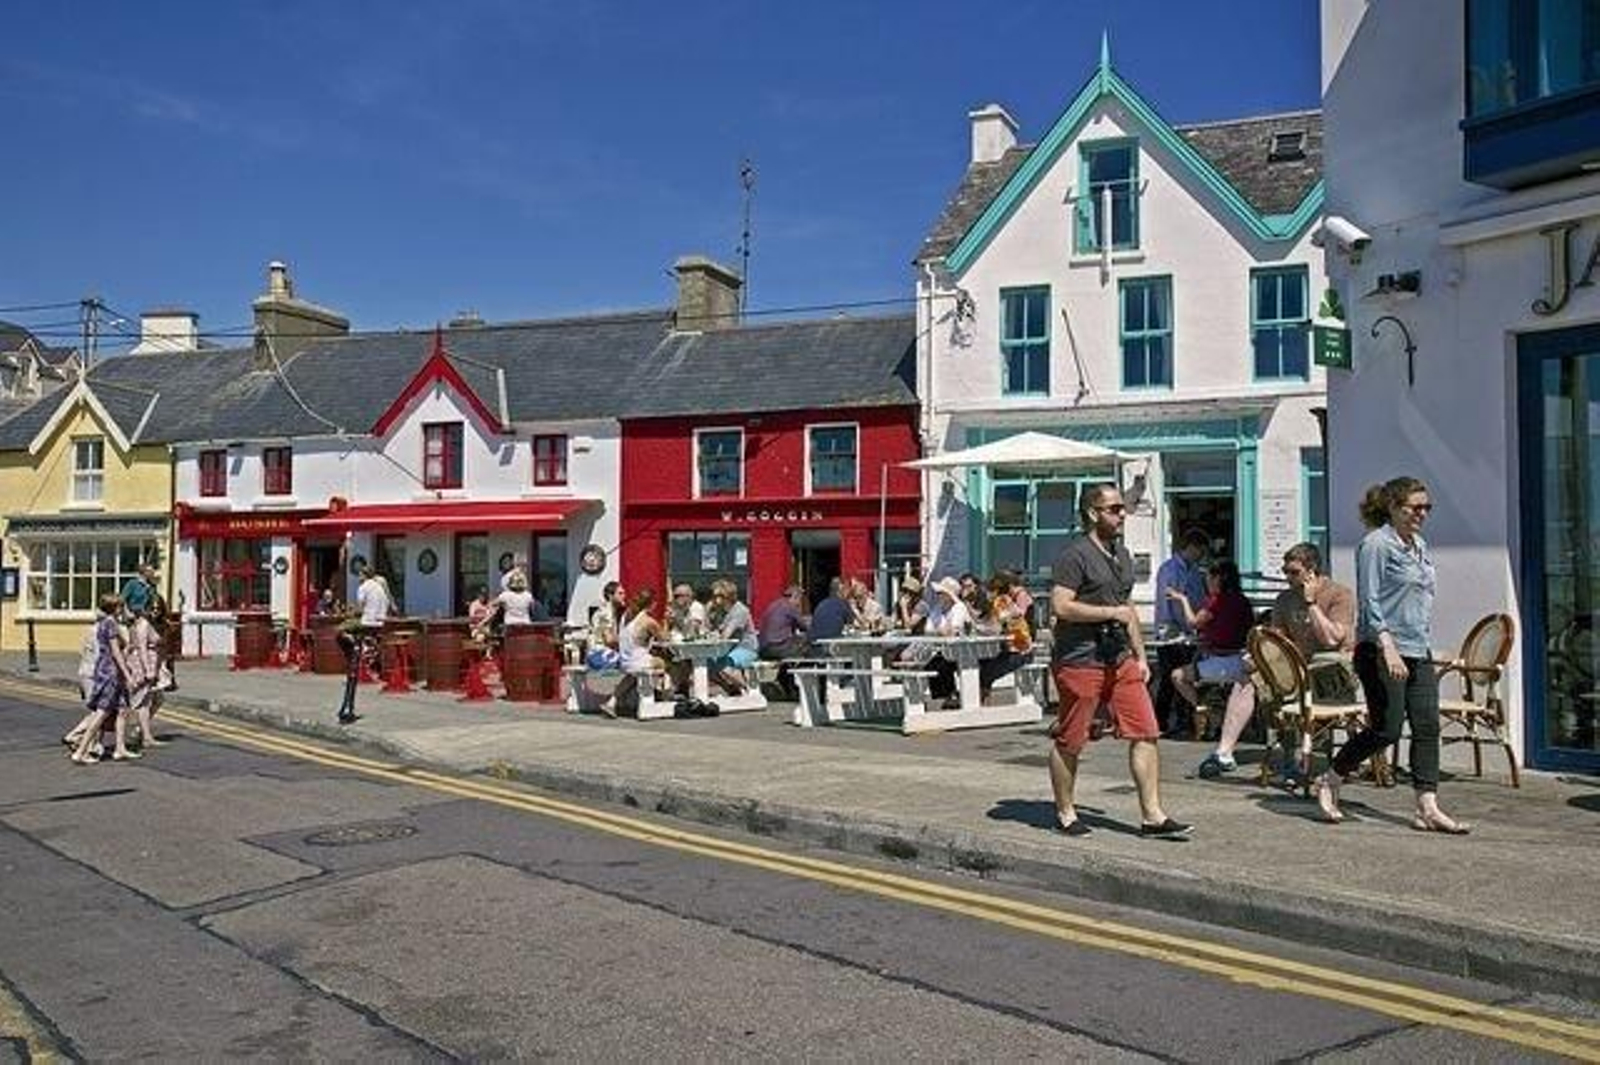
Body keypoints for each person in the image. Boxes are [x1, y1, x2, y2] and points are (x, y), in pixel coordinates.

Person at [1317, 477, 1465, 832]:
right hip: (1380, 650)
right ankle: (1331, 777)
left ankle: (1426, 806)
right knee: (1387, 729)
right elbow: (1369, 603)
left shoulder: (1419, 545)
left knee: (1428, 725)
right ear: (1394, 508)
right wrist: (1389, 648)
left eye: (1427, 507)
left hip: (1417, 649)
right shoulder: (1376, 545)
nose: (1422, 514)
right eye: (1416, 507)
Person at [1047, 483, 1189, 839]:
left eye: (1122, 507)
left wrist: (1141, 657)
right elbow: (1061, 606)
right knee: (1072, 740)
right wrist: (1107, 612)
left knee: (1146, 732)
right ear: (1093, 513)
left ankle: (1153, 816)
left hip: (1120, 659)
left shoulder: (1121, 555)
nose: (1122, 513)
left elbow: (1127, 613)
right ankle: (1066, 811)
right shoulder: (1074, 556)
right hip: (1080, 660)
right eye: (1114, 509)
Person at [1197, 543, 1355, 779]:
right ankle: (1224, 753)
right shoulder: (1285, 599)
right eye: (1285, 572)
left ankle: (1335, 758)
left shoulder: (1339, 594)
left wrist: (1311, 603)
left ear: (1312, 571)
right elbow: (1278, 638)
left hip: (1331, 668)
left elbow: (1332, 639)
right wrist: (1258, 657)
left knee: (1295, 682)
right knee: (1248, 678)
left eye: (1294, 572)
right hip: (1296, 666)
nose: (1288, 577)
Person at [1166, 558, 1253, 725]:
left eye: (1208, 578)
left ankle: (1204, 709)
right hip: (1242, 659)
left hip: (1223, 661)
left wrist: (1182, 599)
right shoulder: (1243, 600)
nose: (1206, 582)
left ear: (1218, 578)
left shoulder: (1216, 601)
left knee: (1177, 676)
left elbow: (1193, 622)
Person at [69, 595, 136, 765]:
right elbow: (115, 652)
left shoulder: (107, 623)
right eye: (121, 606)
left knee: (122, 709)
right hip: (110, 672)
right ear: (115, 608)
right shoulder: (110, 624)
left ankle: (120, 749)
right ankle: (80, 751)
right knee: (102, 713)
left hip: (111, 671)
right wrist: (128, 675)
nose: (123, 609)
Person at [605, 589, 666, 718]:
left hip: (625, 661)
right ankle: (664, 695)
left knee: (632, 674)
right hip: (638, 661)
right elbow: (665, 639)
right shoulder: (649, 621)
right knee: (666, 663)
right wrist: (667, 620)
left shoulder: (625, 615)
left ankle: (612, 702)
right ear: (652, 604)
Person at [124, 607, 167, 749]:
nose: (155, 611)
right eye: (151, 608)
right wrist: (148, 670)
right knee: (144, 701)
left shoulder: (144, 623)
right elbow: (142, 648)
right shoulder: (143, 624)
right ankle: (146, 737)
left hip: (153, 662)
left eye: (157, 608)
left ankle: (140, 729)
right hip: (145, 663)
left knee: (158, 699)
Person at [1153, 529, 1209, 636]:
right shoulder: (1168, 569)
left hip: (1191, 631)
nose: (1202, 556)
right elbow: (1164, 605)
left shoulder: (1195, 571)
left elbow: (1200, 600)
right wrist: (1167, 631)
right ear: (1191, 547)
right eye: (1201, 551)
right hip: (1171, 634)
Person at [709, 580, 758, 695]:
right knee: (708, 665)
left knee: (724, 666)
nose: (715, 599)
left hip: (746, 649)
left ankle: (749, 691)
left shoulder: (740, 610)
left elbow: (726, 634)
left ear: (729, 596)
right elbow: (712, 631)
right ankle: (732, 690)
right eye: (714, 596)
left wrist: (715, 634)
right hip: (729, 649)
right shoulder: (720, 612)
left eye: (719, 596)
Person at [758, 585, 810, 660]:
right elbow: (804, 627)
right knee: (807, 642)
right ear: (794, 597)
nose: (799, 603)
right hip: (779, 647)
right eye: (799, 599)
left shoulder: (774, 604)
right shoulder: (790, 607)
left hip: (763, 649)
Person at [808, 578, 854, 644]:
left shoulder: (821, 604)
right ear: (840, 591)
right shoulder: (843, 604)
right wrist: (851, 603)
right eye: (846, 589)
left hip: (815, 643)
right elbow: (852, 622)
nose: (849, 592)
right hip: (832, 642)